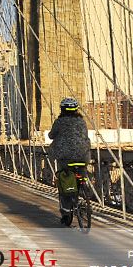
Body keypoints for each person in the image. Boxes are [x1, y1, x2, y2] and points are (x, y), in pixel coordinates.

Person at [49, 97, 91, 226]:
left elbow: (51, 135)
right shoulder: (82, 122)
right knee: (81, 173)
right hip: (83, 157)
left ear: (62, 109)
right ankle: (85, 191)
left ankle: (66, 213)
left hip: (65, 158)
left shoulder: (59, 122)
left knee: (64, 185)